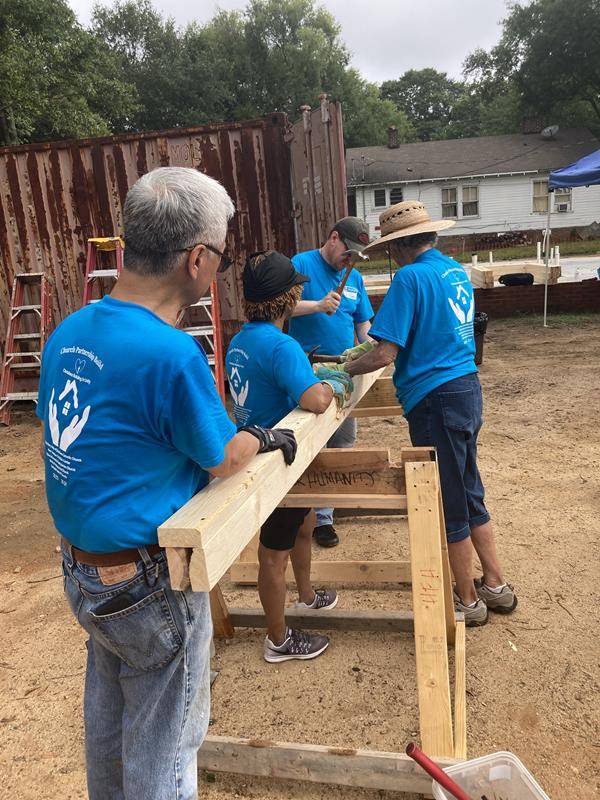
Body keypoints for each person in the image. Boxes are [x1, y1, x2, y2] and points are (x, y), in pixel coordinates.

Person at [36, 167, 298, 800]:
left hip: (83, 570)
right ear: (196, 259)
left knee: (109, 730)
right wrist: (261, 436)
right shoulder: (170, 353)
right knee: (167, 751)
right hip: (148, 582)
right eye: (220, 258)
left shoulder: (70, 331)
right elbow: (222, 457)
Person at [344, 200, 517, 627]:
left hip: (435, 397)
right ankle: (495, 583)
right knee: (469, 488)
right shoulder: (454, 270)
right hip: (465, 388)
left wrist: (342, 370)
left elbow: (384, 352)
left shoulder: (410, 277)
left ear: (398, 246)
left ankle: (468, 599)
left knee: (449, 500)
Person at [226, 250, 354, 662]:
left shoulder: (240, 340)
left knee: (306, 521)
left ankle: (307, 595)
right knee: (273, 553)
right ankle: (278, 639)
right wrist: (330, 383)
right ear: (287, 298)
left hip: (269, 451)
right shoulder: (281, 346)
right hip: (275, 462)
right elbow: (316, 400)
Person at [288, 217, 374, 547]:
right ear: (333, 237)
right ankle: (306, 514)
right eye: (347, 253)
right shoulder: (301, 264)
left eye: (356, 257)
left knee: (343, 441)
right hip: (308, 371)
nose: (349, 261)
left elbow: (363, 323)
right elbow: (281, 308)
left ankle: (326, 514)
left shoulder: (355, 278)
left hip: (344, 371)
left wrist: (371, 348)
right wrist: (317, 305)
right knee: (311, 442)